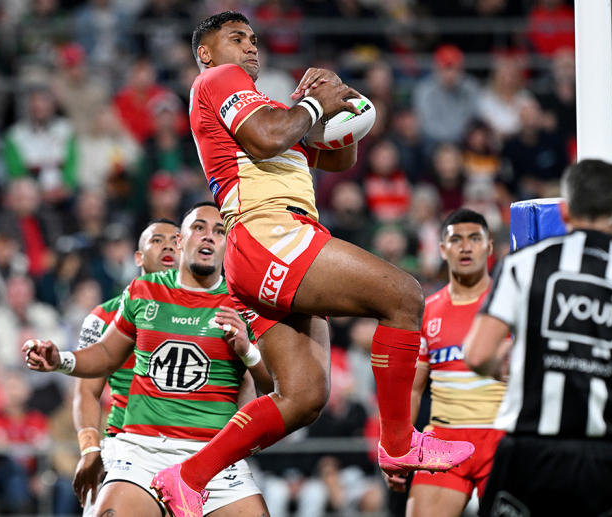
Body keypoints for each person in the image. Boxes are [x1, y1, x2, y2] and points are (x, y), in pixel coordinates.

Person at [147, 11, 474, 516]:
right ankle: (399, 441)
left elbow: (337, 158)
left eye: (254, 40)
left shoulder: (268, 108)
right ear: (205, 53)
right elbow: (268, 136)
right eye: (237, 39)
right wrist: (309, 104)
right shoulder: (217, 81)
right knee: (405, 296)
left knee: (303, 396)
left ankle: (186, 477)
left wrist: (342, 110)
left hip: (268, 243)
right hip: (267, 231)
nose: (251, 48)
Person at [463, 160, 612, 516]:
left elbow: (476, 355)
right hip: (601, 459)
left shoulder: (524, 264)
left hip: (528, 451)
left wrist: (514, 370)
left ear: (565, 209)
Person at [24, 202, 274, 516]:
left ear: (228, 244)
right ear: (183, 241)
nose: (209, 237)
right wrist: (60, 360)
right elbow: (101, 360)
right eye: (199, 228)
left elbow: (274, 388)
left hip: (213, 453)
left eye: (219, 231)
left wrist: (247, 351)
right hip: (140, 448)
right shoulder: (134, 296)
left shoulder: (245, 305)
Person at [388, 208, 506, 516]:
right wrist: (398, 449)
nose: (465, 247)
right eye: (456, 240)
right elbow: (412, 391)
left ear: (489, 246)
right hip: (444, 443)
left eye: (474, 239)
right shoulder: (426, 312)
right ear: (442, 249)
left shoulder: (512, 303)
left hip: (504, 441)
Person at [71, 217, 182, 516]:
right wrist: (90, 448)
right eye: (157, 240)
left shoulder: (213, 312)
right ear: (138, 257)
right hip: (125, 445)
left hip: (192, 443)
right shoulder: (102, 317)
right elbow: (86, 390)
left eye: (176, 240)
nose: (169, 245)